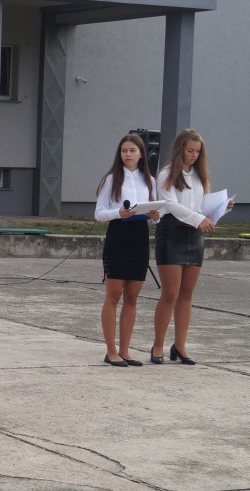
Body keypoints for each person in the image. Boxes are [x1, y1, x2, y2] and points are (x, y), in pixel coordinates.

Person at [151, 129, 233, 365]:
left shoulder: (200, 175)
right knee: (170, 293)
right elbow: (172, 206)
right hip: (172, 233)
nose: (194, 155)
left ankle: (180, 346)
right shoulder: (166, 174)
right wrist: (199, 219)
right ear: (180, 150)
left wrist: (222, 207)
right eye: (190, 150)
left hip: (194, 236)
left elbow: (201, 206)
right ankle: (158, 345)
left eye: (198, 151)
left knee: (186, 294)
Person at [94, 134, 160, 367]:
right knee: (113, 296)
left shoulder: (149, 180)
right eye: (124, 151)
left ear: (141, 154)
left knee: (132, 297)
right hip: (118, 236)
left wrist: (155, 216)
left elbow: (154, 214)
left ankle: (125, 350)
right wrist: (118, 213)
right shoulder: (111, 179)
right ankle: (111, 351)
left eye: (132, 150)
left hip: (139, 238)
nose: (128, 154)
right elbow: (99, 213)